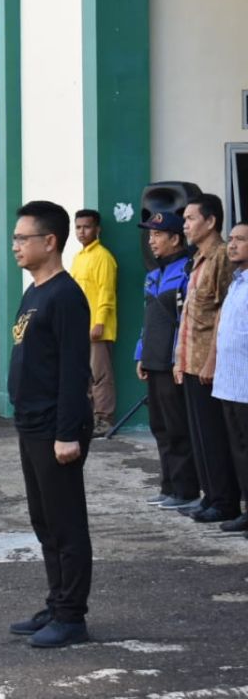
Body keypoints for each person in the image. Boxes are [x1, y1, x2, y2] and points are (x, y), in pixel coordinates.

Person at [7, 199, 93, 649]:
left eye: (23, 238)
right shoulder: (35, 291)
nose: (16, 245)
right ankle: (56, 601)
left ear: (49, 241)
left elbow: (74, 372)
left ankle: (71, 616)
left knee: (66, 523)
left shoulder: (65, 296)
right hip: (31, 424)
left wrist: (66, 433)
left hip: (55, 428)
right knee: (44, 521)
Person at [175, 194, 241, 523]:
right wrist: (179, 359)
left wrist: (212, 359)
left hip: (208, 363)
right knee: (199, 434)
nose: (185, 225)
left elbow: (223, 315)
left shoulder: (221, 257)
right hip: (190, 359)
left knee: (215, 435)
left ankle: (225, 500)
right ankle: (210, 495)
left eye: (190, 219)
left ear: (211, 221)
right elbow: (189, 315)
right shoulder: (198, 258)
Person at [134, 211, 200, 511]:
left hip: (174, 362)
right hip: (153, 359)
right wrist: (140, 353)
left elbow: (187, 320)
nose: (152, 241)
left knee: (177, 428)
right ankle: (168, 485)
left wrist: (178, 359)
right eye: (150, 235)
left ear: (175, 238)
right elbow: (148, 319)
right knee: (159, 426)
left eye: (158, 235)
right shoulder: (153, 274)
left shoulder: (186, 270)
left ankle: (185, 489)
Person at [211, 221, 248, 535]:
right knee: (239, 453)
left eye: (240, 240)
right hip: (231, 385)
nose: (232, 244)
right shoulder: (236, 283)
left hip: (246, 386)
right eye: (231, 239)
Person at [70, 209, 118, 435]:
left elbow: (106, 294)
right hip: (80, 328)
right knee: (84, 377)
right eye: (78, 227)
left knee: (100, 376)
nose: (82, 231)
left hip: (99, 330)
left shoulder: (103, 257)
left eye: (86, 227)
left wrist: (99, 323)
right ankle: (89, 419)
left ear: (97, 229)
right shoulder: (78, 258)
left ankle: (105, 420)